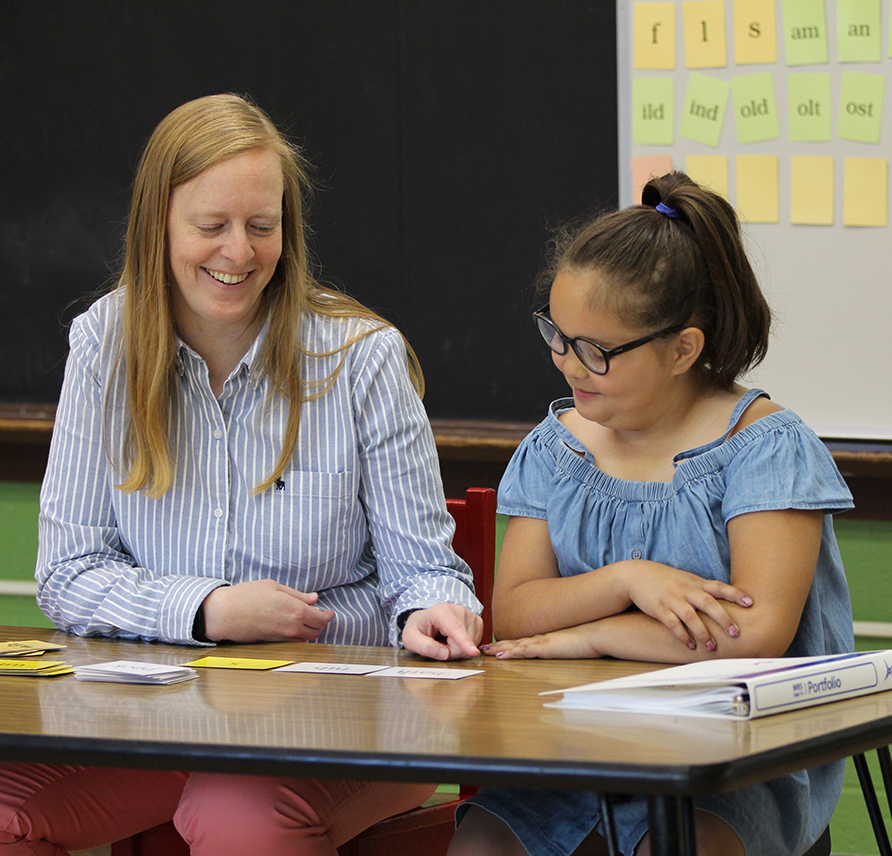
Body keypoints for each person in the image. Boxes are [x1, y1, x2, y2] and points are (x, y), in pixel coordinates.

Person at [0, 93, 483, 855]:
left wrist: (432, 612)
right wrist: (210, 611)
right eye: (211, 226)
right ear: (157, 222)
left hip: (337, 714)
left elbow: (424, 573)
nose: (239, 253)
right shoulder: (104, 342)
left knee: (239, 816)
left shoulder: (360, 356)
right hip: (159, 718)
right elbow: (66, 575)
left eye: (263, 227)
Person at [447, 172, 854, 856]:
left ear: (682, 349)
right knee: (483, 845)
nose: (568, 364)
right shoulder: (556, 447)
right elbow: (514, 611)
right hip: (575, 748)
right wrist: (628, 580)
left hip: (732, 764)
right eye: (558, 335)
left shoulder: (765, 448)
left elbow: (752, 635)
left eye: (596, 351)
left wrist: (593, 635)